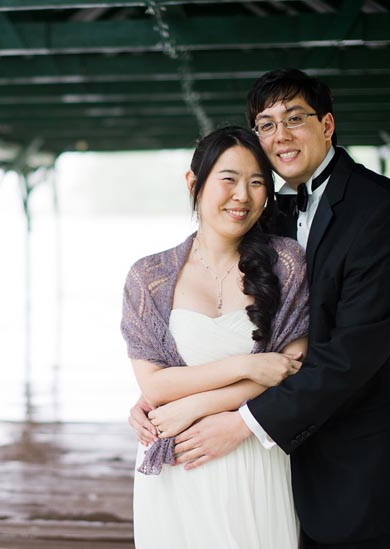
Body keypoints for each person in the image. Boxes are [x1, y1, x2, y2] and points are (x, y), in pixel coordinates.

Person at [129, 69, 390, 548]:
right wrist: (162, 397)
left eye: (295, 118)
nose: (281, 136)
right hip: (284, 470)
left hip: (366, 467)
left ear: (328, 126)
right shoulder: (264, 211)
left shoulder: (380, 210)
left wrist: (239, 421)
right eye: (267, 124)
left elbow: (350, 356)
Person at [121, 126, 311, 548]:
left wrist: (196, 404)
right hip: (178, 461)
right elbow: (155, 384)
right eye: (229, 179)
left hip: (252, 451)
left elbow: (290, 368)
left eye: (257, 181)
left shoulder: (286, 264)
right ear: (194, 182)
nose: (243, 195)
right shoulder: (148, 277)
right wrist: (248, 365)